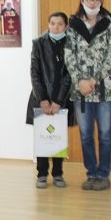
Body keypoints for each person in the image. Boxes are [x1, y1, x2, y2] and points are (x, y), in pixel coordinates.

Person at [65, 0, 111, 191]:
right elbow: (69, 56)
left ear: (101, 2)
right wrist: (80, 81)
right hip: (80, 92)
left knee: (105, 134)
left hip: (104, 90)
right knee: (86, 135)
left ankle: (103, 174)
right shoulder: (73, 26)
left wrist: (94, 80)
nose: (92, 2)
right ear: (82, 1)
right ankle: (91, 173)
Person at [26, 11, 72, 189]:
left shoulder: (71, 44)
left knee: (58, 137)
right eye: (52, 23)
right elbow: (34, 73)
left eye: (60, 24)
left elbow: (69, 75)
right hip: (41, 99)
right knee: (43, 137)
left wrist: (58, 101)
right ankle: (42, 174)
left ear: (66, 26)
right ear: (48, 25)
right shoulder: (38, 43)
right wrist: (43, 99)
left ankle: (58, 174)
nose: (56, 27)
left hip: (61, 99)